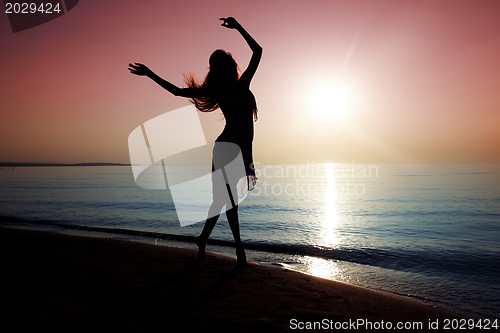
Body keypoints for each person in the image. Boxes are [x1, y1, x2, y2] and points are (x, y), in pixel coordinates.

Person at [128, 17, 262, 266]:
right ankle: (239, 252)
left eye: (216, 65)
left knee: (224, 200)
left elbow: (258, 51)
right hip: (227, 149)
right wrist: (150, 74)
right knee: (230, 201)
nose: (215, 69)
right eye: (214, 66)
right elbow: (178, 92)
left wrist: (239, 27)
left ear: (225, 66)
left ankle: (204, 239)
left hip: (240, 149)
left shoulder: (242, 84)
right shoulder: (220, 90)